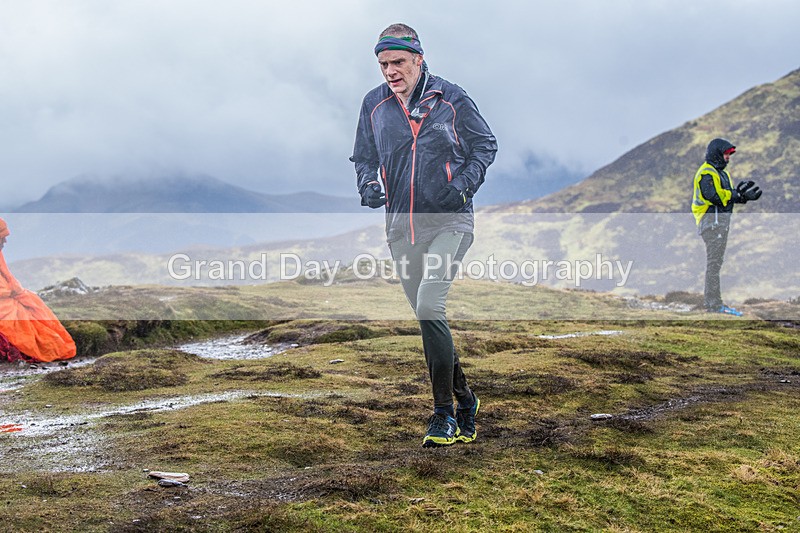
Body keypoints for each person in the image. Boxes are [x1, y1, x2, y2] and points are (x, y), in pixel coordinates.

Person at [351, 23, 497, 447]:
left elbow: (485, 145)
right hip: (400, 228)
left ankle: (443, 415)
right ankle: (466, 398)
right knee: (426, 317)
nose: (390, 72)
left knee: (431, 305)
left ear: (418, 58)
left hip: (450, 221)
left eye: (398, 62)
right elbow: (363, 156)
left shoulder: (451, 98)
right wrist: (368, 185)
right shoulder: (374, 106)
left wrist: (463, 186)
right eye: (383, 65)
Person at [691, 139, 762, 316]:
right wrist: (735, 194)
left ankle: (714, 303)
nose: (728, 158)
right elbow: (713, 196)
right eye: (726, 154)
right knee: (714, 264)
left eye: (729, 154)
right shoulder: (706, 173)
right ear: (717, 154)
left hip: (720, 223)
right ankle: (714, 305)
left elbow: (726, 197)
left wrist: (742, 196)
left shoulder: (722, 173)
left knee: (715, 264)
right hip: (711, 223)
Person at [0, 217, 77, 363]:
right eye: (2, 237)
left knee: (37, 317)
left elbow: (8, 279)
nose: (5, 242)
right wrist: (11, 291)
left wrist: (17, 292)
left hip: (9, 301)